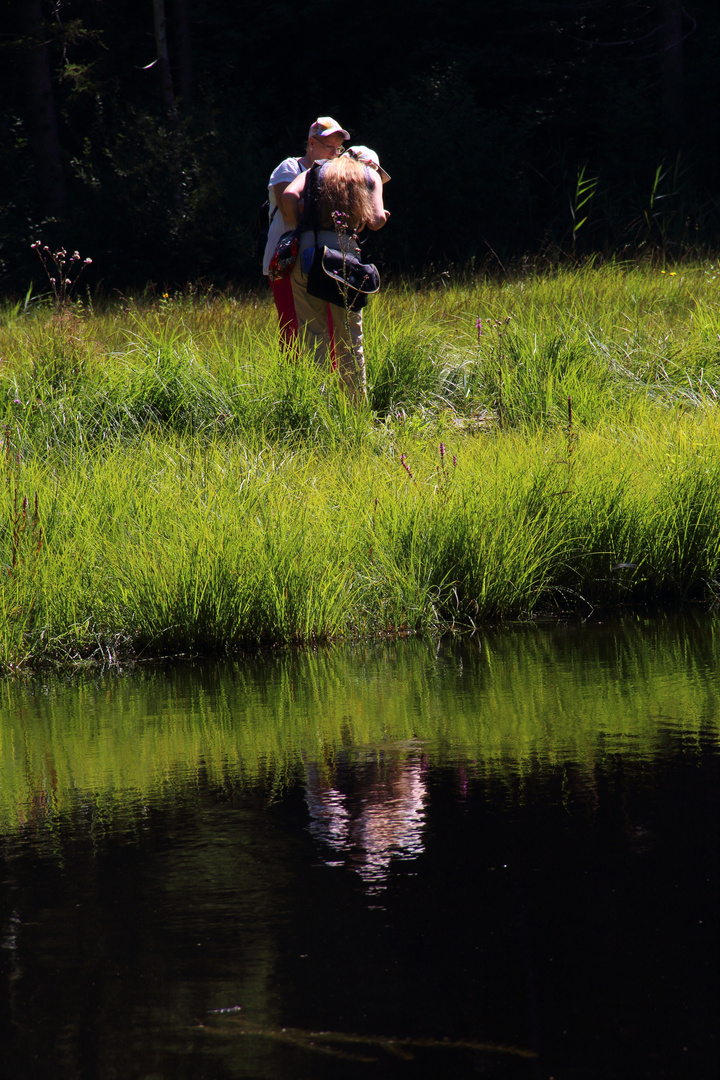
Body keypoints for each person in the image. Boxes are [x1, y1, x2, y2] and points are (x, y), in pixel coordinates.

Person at [282, 146, 390, 403]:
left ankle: (315, 411)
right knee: (350, 341)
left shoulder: (315, 169)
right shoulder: (368, 174)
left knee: (312, 337)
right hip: (343, 259)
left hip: (307, 253)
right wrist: (382, 216)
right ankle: (353, 414)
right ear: (370, 165)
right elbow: (375, 221)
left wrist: (302, 226)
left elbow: (288, 195)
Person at [262, 117, 349, 349]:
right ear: (311, 143)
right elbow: (290, 212)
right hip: (287, 262)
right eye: (328, 146)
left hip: (322, 262)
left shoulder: (336, 174)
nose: (334, 153)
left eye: (338, 148)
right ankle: (292, 383)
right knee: (292, 329)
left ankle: (326, 383)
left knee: (330, 330)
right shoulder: (289, 168)